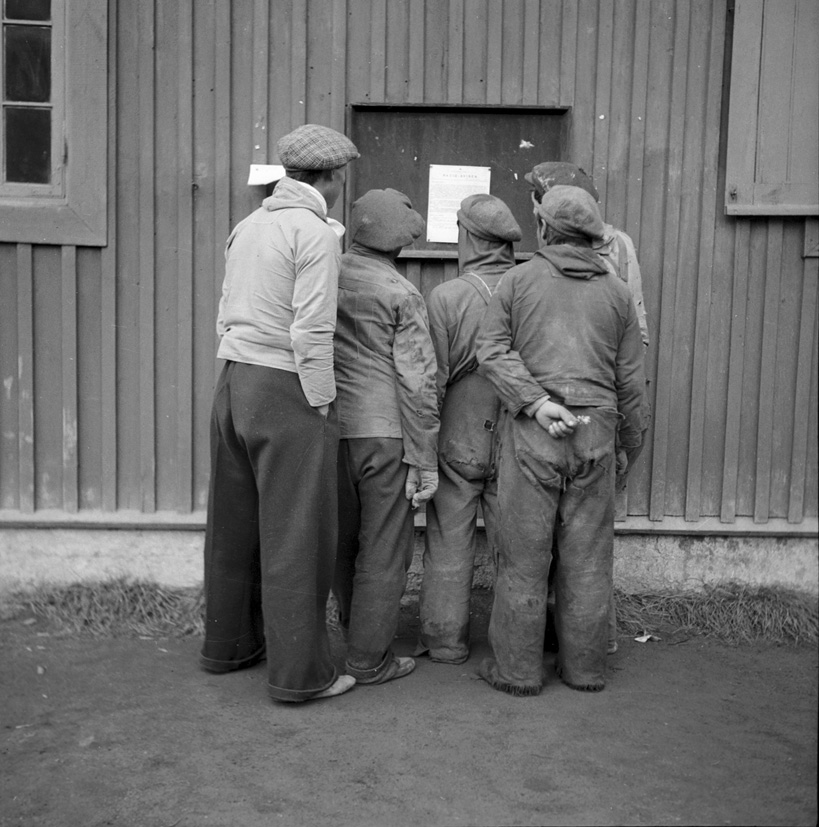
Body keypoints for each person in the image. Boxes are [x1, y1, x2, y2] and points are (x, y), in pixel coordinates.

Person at [200, 123, 360, 702]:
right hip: (287, 386)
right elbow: (313, 329)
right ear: (332, 177)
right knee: (298, 532)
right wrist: (319, 403)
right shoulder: (314, 233)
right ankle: (302, 676)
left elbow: (225, 309)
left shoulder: (250, 225)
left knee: (233, 526)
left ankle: (229, 647)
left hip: (233, 382)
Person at [475, 185, 648, 695]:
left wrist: (533, 401)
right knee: (589, 561)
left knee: (524, 560)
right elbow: (631, 386)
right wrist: (625, 448)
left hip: (535, 432)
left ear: (546, 229)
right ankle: (586, 670)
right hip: (597, 432)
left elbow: (490, 351)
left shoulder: (518, 280)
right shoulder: (617, 293)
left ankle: (517, 672)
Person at [525, 162, 652, 655]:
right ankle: (575, 644)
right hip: (587, 400)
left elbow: (633, 329)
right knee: (578, 532)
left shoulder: (613, 247)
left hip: (591, 400)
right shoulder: (557, 251)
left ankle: (590, 639)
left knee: (581, 535)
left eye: (537, 200)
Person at [332, 188, 439, 685]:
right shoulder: (402, 293)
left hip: (330, 432)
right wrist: (425, 457)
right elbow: (418, 382)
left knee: (342, 541)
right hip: (385, 437)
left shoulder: (325, 273)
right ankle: (369, 659)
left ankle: (354, 629)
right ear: (400, 245)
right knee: (384, 548)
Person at [416, 194, 522, 665]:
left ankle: (444, 642)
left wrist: (423, 442)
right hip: (518, 436)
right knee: (517, 547)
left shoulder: (447, 297)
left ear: (469, 237)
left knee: (447, 540)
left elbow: (432, 379)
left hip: (459, 438)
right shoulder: (530, 290)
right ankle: (515, 645)